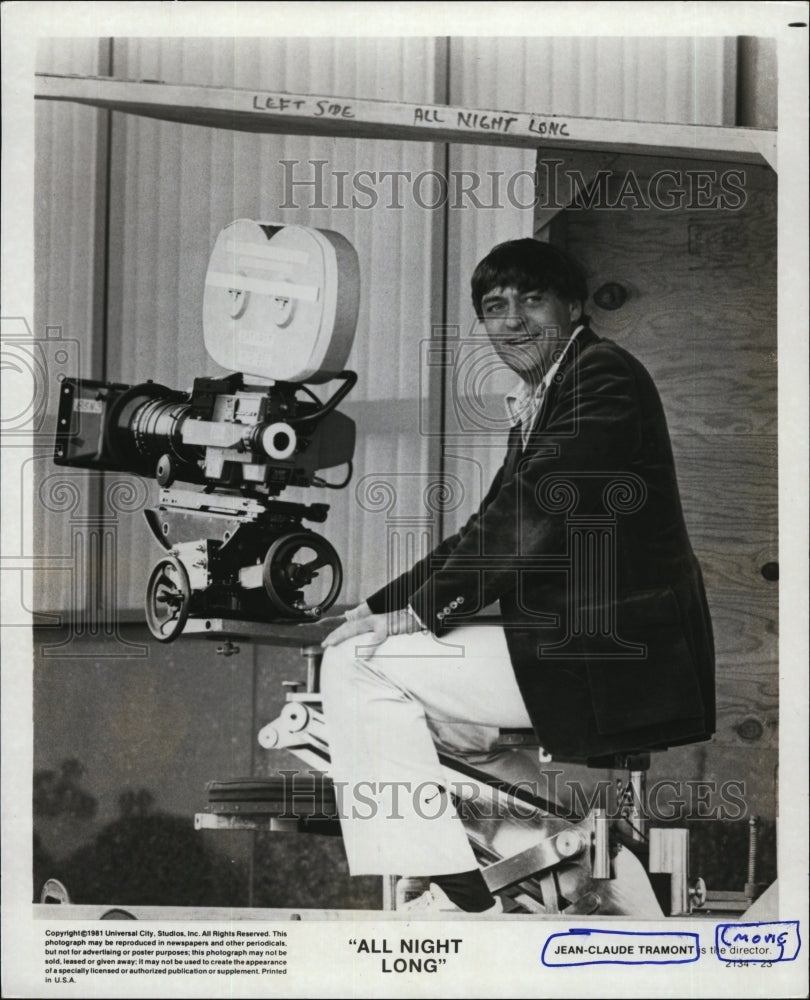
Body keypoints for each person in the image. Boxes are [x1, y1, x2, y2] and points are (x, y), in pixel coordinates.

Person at [320, 238, 715, 914]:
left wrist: (413, 616)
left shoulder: (601, 377)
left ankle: (435, 861)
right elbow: (489, 526)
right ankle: (549, 853)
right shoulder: (555, 389)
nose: (514, 321)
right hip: (588, 646)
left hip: (610, 651)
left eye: (532, 300)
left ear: (571, 306)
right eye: (496, 307)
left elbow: (530, 516)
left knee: (360, 667)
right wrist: (377, 603)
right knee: (429, 709)